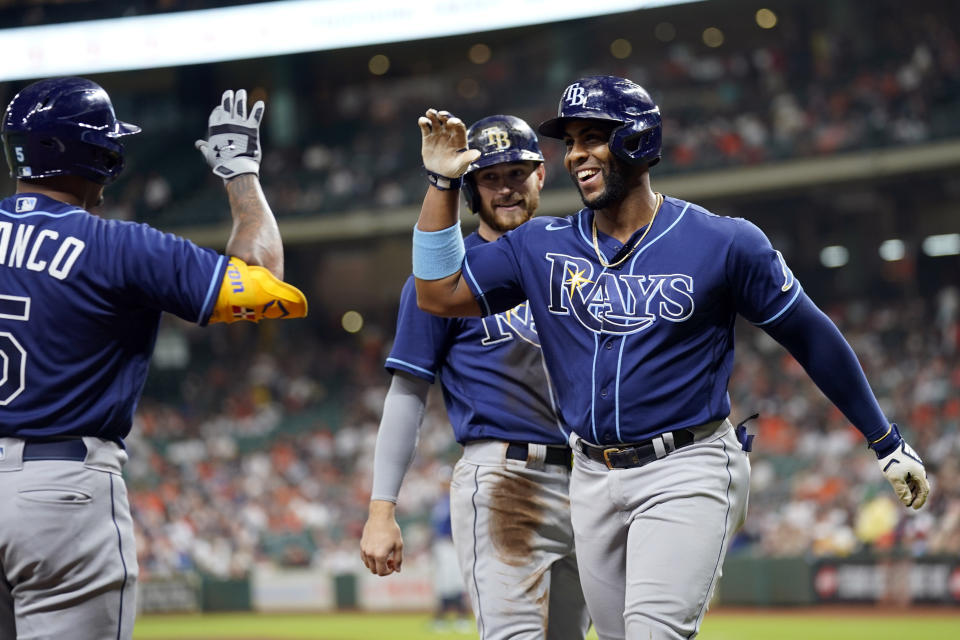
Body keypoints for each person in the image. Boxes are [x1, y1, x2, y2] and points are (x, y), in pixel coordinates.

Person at [409, 76, 930, 639]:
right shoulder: (540, 245)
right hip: (590, 474)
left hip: (686, 465)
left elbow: (811, 336)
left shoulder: (724, 242)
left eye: (593, 137)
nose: (577, 154)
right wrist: (441, 183)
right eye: (571, 143)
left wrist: (886, 441)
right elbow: (436, 293)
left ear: (637, 139)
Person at [0, 77, 306, 639]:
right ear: (99, 155)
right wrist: (241, 176)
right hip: (61, 487)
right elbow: (264, 287)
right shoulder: (122, 247)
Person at [360, 115, 590, 639]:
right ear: (470, 187)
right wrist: (381, 509)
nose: (506, 186)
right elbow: (407, 394)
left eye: (518, 171)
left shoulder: (575, 259)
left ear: (541, 174)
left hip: (592, 477)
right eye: (491, 176)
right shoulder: (444, 278)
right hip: (507, 477)